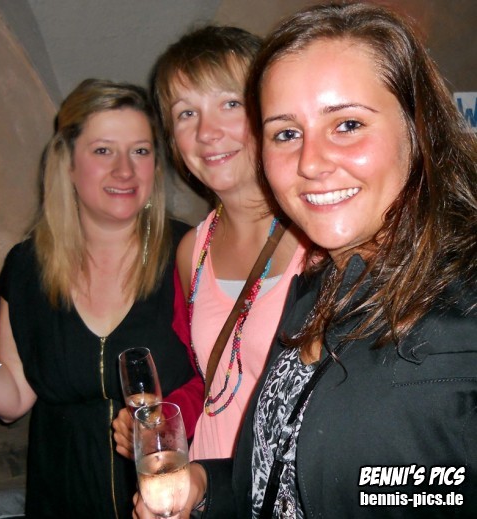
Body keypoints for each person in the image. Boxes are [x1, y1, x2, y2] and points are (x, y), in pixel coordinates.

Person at [162, 2, 477, 517]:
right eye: (287, 133)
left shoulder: (460, 330)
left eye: (347, 124)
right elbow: (279, 472)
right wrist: (205, 486)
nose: (310, 162)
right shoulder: (318, 285)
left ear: (420, 128)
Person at [0, 79, 197, 518]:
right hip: (63, 501)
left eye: (140, 151)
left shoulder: (193, 253)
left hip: (168, 502)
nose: (125, 170)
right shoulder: (28, 267)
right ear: (68, 164)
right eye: (103, 150)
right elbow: (12, 399)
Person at [113, 25, 308, 470]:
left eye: (230, 104)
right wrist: (164, 419)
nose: (207, 132)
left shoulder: (318, 238)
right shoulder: (192, 252)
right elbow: (216, 384)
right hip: (209, 483)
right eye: (186, 113)